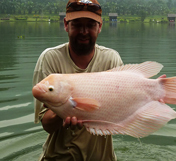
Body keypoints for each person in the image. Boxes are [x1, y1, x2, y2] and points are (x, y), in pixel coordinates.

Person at [33, 0, 123, 160]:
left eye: (90, 25)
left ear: (100, 26)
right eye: (77, 24)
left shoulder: (111, 59)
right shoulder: (51, 58)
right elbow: (46, 125)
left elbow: (119, 115)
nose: (84, 31)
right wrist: (65, 111)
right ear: (66, 25)